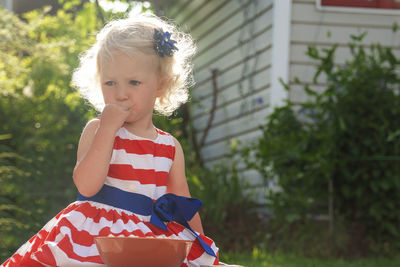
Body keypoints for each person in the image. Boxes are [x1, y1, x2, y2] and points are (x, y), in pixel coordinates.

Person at [2, 13, 220, 267]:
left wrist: (203, 247)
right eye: (110, 83)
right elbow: (86, 186)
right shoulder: (99, 130)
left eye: (134, 82)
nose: (120, 94)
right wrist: (107, 129)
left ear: (160, 85)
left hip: (150, 236)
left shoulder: (170, 147)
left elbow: (181, 202)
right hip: (96, 235)